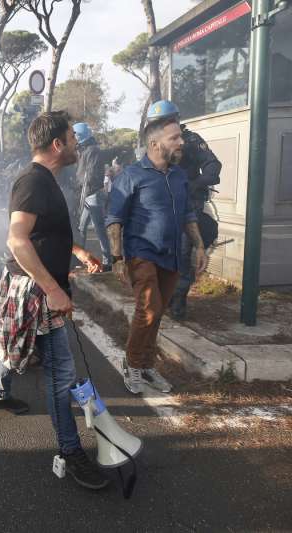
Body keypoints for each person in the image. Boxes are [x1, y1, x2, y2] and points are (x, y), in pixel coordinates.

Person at [0, 111, 109, 490]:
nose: (75, 143)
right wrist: (53, 290)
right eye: (71, 137)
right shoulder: (33, 182)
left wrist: (79, 251)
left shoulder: (48, 181)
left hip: (43, 286)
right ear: (57, 144)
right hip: (36, 291)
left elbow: (45, 233)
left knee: (15, 348)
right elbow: (17, 240)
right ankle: (70, 453)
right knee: (60, 375)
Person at [106, 102, 208, 395]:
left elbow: (188, 214)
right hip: (142, 252)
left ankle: (147, 366)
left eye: (180, 137)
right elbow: (114, 219)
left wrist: (199, 246)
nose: (181, 142)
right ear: (155, 143)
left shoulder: (178, 176)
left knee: (158, 312)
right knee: (148, 308)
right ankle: (133, 364)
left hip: (173, 254)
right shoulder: (131, 175)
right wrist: (117, 258)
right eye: (175, 137)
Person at [145, 102, 222, 320]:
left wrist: (193, 184)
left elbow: (213, 166)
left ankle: (176, 308)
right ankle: (166, 299)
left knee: (182, 257)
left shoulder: (190, 141)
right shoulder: (153, 146)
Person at [73, 123, 112, 269]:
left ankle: (108, 261)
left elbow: (90, 175)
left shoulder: (93, 150)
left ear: (80, 135)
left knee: (99, 228)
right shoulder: (83, 150)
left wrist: (83, 187)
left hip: (93, 194)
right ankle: (80, 259)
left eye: (75, 135)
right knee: (81, 227)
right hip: (87, 193)